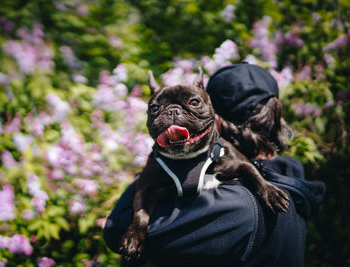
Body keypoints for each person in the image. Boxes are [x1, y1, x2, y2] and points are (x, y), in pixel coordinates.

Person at [103, 62, 326, 266]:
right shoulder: (290, 184)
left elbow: (116, 229)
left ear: (215, 119)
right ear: (278, 118)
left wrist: (160, 159)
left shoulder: (232, 206)